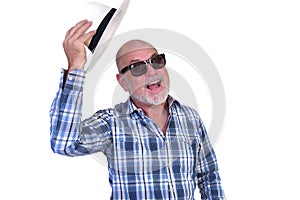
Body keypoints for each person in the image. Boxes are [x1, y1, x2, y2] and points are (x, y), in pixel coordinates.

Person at [50, 19, 225, 200]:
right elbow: (64, 144)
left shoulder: (191, 118)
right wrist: (76, 66)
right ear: (122, 82)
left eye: (156, 61)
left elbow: (209, 176)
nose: (152, 72)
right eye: (137, 67)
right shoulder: (112, 122)